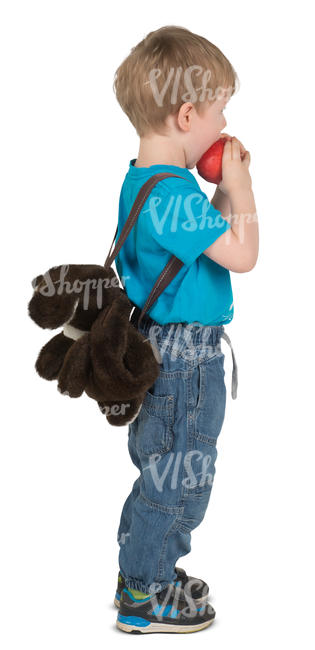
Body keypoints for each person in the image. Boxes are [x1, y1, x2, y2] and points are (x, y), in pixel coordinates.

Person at [112, 25, 259, 634]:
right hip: (185, 363)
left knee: (159, 471)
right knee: (181, 481)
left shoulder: (144, 181)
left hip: (159, 353)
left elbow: (208, 248)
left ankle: (142, 575)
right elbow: (242, 253)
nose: (224, 123)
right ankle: (145, 596)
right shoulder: (175, 197)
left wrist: (220, 192)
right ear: (187, 114)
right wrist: (242, 185)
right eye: (221, 109)